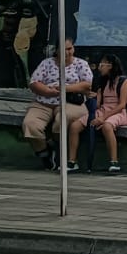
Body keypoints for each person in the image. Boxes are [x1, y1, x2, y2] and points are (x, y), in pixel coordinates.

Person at [22, 38, 92, 171]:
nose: (67, 52)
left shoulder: (81, 64)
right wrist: (48, 91)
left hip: (71, 102)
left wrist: (63, 89)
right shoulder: (46, 63)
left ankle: (55, 146)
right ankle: (44, 153)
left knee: (61, 120)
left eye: (70, 48)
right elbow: (34, 82)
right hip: (44, 101)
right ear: (57, 51)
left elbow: (87, 85)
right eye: (64, 49)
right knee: (30, 125)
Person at [88, 54, 127, 174]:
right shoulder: (103, 82)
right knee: (76, 125)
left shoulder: (124, 81)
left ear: (110, 66)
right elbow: (99, 104)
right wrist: (95, 95)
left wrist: (103, 117)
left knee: (107, 126)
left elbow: (122, 105)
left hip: (120, 112)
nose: (99, 67)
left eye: (102, 65)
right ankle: (72, 161)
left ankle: (114, 161)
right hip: (104, 110)